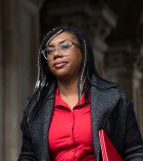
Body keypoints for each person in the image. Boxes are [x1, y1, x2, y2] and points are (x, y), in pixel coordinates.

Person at [18, 25, 143, 161]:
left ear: (83, 52)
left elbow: (134, 152)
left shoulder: (115, 100)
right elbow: (28, 156)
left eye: (65, 46)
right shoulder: (35, 109)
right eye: (49, 51)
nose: (56, 54)